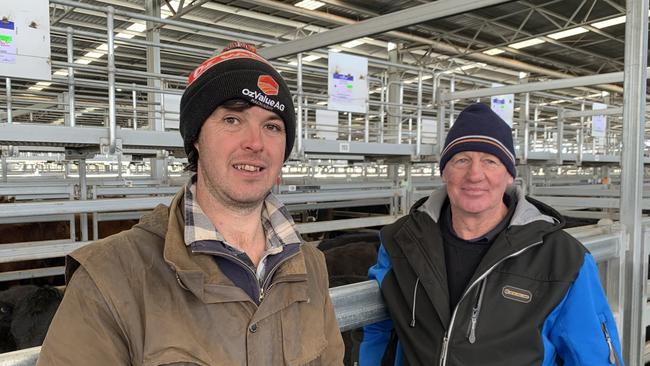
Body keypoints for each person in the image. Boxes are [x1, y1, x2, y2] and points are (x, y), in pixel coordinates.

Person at [37, 42, 344, 365]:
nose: (255, 142)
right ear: (196, 137)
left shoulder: (310, 265)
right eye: (232, 120)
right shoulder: (111, 276)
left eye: (272, 126)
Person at [360, 103, 623, 365]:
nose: (475, 174)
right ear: (444, 172)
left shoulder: (564, 259)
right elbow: (380, 333)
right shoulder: (400, 242)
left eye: (490, 161)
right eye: (461, 160)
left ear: (509, 175)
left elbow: (593, 355)